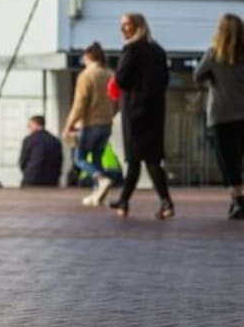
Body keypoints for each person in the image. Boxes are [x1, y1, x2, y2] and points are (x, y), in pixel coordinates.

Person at [107, 13, 174, 220]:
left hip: (134, 111)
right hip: (155, 111)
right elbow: (165, 79)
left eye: (126, 25)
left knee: (137, 158)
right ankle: (130, 200)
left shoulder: (131, 50)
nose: (122, 30)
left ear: (137, 27)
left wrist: (117, 76)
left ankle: (139, 201)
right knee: (149, 158)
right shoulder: (158, 51)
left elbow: (122, 79)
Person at [194, 13, 244, 220]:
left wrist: (211, 80)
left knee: (228, 160)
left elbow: (197, 74)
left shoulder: (213, 54)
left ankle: (238, 200)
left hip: (221, 115)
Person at [64, 42, 117, 206]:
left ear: (88, 57)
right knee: (97, 158)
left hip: (89, 124)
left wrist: (69, 124)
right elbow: (116, 100)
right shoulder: (110, 74)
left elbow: (79, 103)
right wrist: (110, 115)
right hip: (107, 124)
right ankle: (97, 194)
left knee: (79, 158)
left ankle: (101, 181)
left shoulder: (86, 75)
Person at [19, 115, 63, 186]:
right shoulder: (55, 140)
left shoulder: (29, 140)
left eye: (30, 125)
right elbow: (59, 161)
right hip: (51, 180)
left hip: (32, 179)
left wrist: (28, 172)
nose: (28, 127)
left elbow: (23, 161)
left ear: (37, 124)